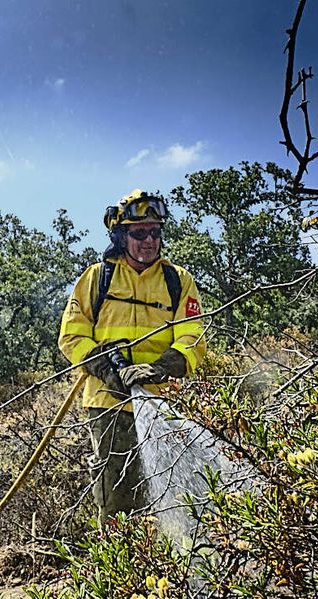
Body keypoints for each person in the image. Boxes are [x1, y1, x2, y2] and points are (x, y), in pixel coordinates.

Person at [58, 189, 207, 519]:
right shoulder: (97, 278)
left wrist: (161, 367)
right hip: (108, 403)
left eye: (155, 232)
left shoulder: (178, 281)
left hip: (164, 400)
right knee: (117, 495)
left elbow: (192, 335)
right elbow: (72, 334)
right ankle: (119, 565)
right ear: (121, 235)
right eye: (140, 233)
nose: (149, 241)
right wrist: (107, 368)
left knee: (175, 493)